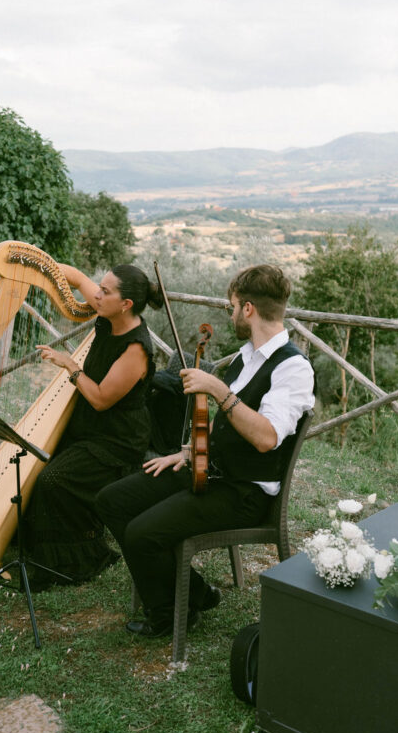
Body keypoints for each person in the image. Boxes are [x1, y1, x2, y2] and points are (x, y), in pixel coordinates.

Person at [95, 264, 315, 637]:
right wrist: (185, 453)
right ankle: (197, 593)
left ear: (247, 309)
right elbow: (222, 425)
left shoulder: (292, 368)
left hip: (243, 491)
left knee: (141, 534)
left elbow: (266, 437)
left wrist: (218, 390)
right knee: (111, 501)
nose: (231, 315)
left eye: (232, 307)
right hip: (206, 468)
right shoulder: (248, 355)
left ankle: (168, 613)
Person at [22, 261, 163, 588]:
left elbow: (100, 399)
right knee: (34, 460)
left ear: (125, 304)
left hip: (117, 439)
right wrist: (36, 268)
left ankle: (80, 554)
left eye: (105, 291)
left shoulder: (135, 348)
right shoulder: (107, 309)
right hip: (90, 425)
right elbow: (73, 277)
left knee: (52, 478)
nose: (95, 295)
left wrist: (69, 365)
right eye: (100, 287)